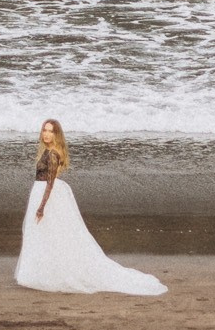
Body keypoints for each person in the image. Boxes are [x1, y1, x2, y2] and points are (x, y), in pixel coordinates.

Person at [14, 117, 166, 296]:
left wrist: (41, 207)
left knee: (48, 234)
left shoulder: (53, 154)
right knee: (44, 235)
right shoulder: (47, 152)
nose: (46, 134)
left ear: (56, 135)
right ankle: (39, 272)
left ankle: (46, 273)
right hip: (39, 193)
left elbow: (50, 184)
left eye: (50, 131)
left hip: (44, 196)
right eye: (44, 130)